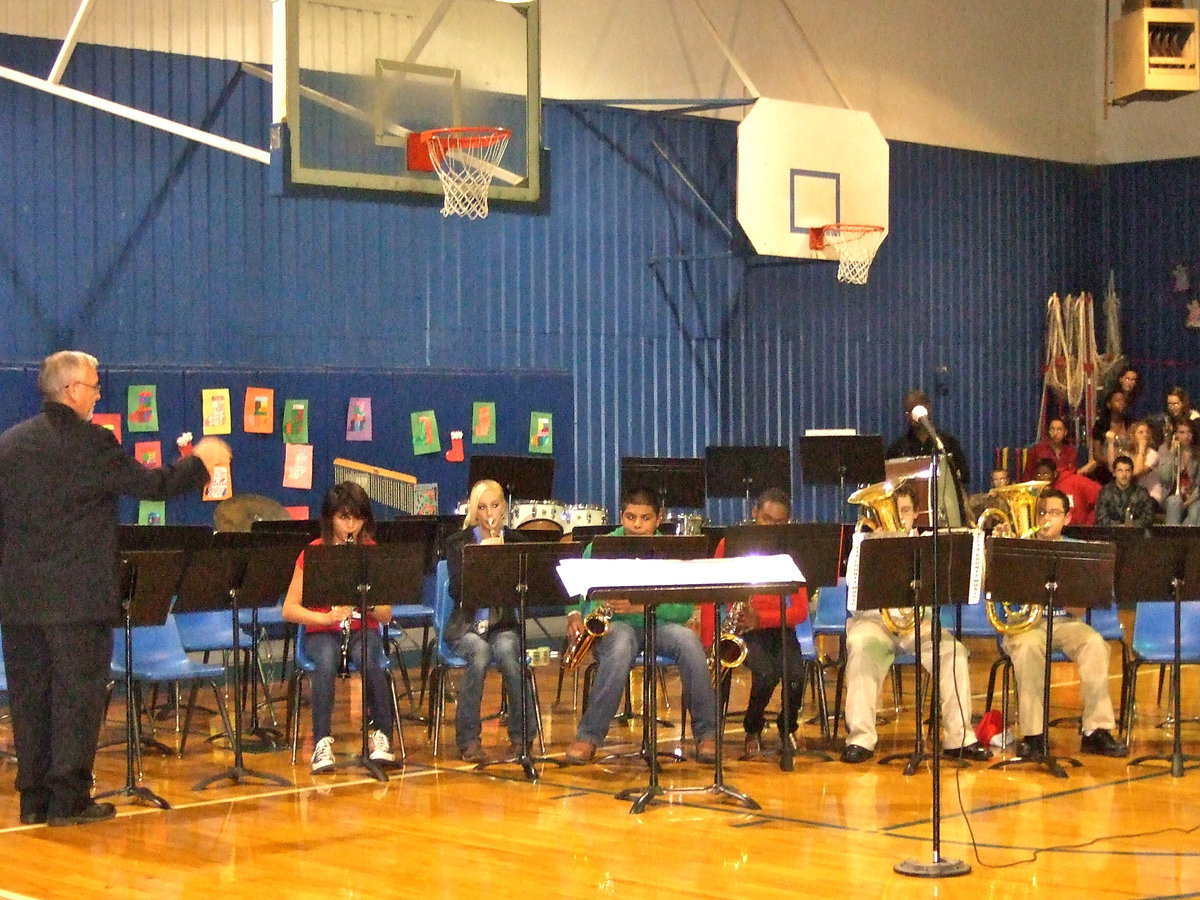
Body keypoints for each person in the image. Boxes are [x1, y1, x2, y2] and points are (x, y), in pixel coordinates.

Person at [0, 351, 229, 826]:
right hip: (77, 600)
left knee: (29, 699)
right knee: (77, 699)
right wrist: (200, 463)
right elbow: (151, 485)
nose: (98, 394)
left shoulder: (10, 444)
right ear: (71, 391)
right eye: (94, 386)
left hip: (19, 601)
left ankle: (33, 800)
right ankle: (68, 801)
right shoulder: (91, 442)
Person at [564, 486, 718, 764]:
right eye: (630, 517)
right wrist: (574, 614)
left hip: (658, 624)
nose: (637, 525)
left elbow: (683, 609)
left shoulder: (671, 551)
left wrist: (639, 606)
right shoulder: (600, 547)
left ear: (658, 519)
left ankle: (707, 735)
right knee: (621, 643)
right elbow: (576, 593)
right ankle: (588, 736)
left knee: (689, 642)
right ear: (621, 516)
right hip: (616, 626)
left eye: (645, 518)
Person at [840, 482, 991, 764]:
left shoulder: (930, 547)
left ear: (916, 514)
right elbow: (854, 588)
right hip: (873, 622)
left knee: (954, 652)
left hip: (916, 622)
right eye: (894, 510)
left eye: (906, 510)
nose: (900, 517)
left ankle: (959, 738)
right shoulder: (865, 544)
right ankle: (861, 738)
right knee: (860, 648)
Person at [1001, 488, 1127, 759]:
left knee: (1095, 644)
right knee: (1028, 648)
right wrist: (999, 551)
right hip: (1026, 625)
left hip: (1065, 622)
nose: (1046, 518)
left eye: (1054, 513)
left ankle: (1096, 730)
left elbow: (1079, 609)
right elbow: (997, 591)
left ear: (1067, 519)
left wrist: (1063, 589)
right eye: (1041, 512)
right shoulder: (1018, 545)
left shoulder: (1075, 551)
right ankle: (1034, 736)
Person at [282, 482, 396, 774]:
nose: (351, 526)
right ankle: (321, 741)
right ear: (330, 518)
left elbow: (386, 614)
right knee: (326, 660)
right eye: (344, 518)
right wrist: (327, 618)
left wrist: (367, 603)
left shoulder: (370, 552)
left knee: (370, 657)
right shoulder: (313, 553)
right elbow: (289, 609)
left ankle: (382, 736)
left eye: (357, 518)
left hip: (362, 627)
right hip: (322, 630)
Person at [700, 488, 808, 758]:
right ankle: (753, 727)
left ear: (787, 523)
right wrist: (709, 640)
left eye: (779, 522)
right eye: (766, 519)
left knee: (796, 676)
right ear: (755, 513)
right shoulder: (731, 544)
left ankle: (787, 727)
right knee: (767, 673)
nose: (771, 527)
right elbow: (709, 594)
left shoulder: (791, 552)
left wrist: (762, 618)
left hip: (778, 628)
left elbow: (800, 611)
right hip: (743, 630)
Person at [443, 479, 535, 763]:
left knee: (508, 652)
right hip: (466, 626)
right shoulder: (458, 543)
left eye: (494, 505)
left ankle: (522, 737)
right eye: (482, 507)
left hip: (502, 623)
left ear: (504, 507)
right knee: (480, 653)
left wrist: (504, 561)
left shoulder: (517, 542)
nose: (489, 513)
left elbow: (527, 589)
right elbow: (456, 591)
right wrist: (483, 561)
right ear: (474, 511)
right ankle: (468, 739)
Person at [886, 389, 971, 491]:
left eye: (915, 409)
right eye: (908, 411)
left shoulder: (947, 443)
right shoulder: (897, 448)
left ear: (928, 408)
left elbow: (963, 477)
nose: (911, 415)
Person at [1079, 389, 1130, 484]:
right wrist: (1113, 463)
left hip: (1128, 469)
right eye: (1117, 401)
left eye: (1123, 401)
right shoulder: (1101, 425)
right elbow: (1097, 454)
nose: (1121, 403)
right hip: (1106, 470)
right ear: (1109, 404)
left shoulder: (1129, 423)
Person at [1157, 419, 1200, 526]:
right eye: (1182, 432)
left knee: (1196, 510)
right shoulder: (1164, 449)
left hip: (1193, 496)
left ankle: (1187, 534)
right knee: (1174, 502)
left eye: (1189, 432)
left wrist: (1190, 500)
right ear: (1176, 434)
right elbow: (1165, 477)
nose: (1186, 436)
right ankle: (1173, 534)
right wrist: (1172, 453)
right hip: (1172, 495)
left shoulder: (1197, 453)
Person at [1034, 458, 1099, 526]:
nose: (1041, 478)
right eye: (1038, 474)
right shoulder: (1037, 492)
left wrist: (1089, 523)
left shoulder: (1076, 481)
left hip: (1079, 530)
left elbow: (1100, 496)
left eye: (1045, 474)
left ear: (1054, 473)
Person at [1094, 455, 1156, 528]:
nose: (1124, 475)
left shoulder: (1141, 492)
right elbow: (1100, 517)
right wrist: (1120, 526)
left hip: (1136, 533)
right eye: (1120, 471)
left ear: (1132, 473)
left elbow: (1149, 517)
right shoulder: (1105, 492)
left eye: (1127, 471)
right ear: (1114, 473)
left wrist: (1131, 525)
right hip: (1111, 533)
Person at [1022, 417, 1077, 482]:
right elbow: (1027, 475)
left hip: (1065, 486)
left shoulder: (1070, 452)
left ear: (1065, 432)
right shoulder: (1037, 450)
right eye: (1052, 429)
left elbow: (1073, 474)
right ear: (1049, 431)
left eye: (1059, 429)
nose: (1055, 433)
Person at [1127, 419, 1163, 506]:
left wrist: (1141, 450)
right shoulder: (1128, 454)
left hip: (1151, 496)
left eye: (1147, 432)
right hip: (1133, 495)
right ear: (1133, 436)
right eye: (1141, 432)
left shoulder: (1153, 454)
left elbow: (1138, 472)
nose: (1145, 435)